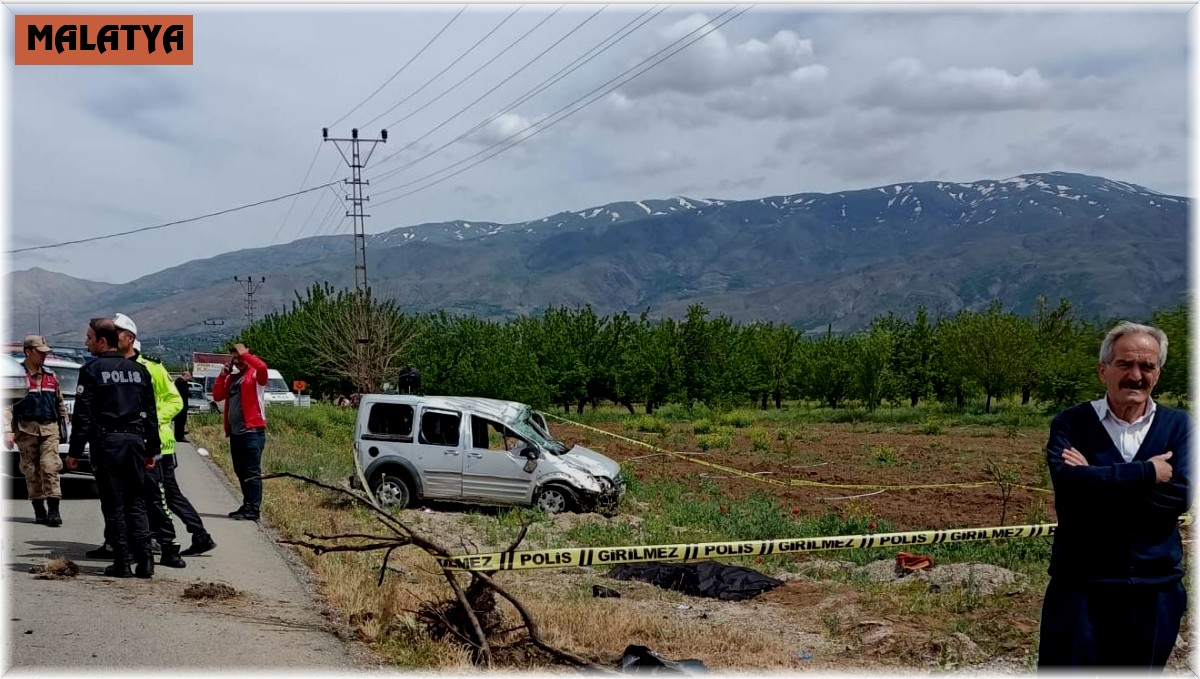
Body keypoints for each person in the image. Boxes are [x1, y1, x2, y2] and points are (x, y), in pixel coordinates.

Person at [1038, 321, 1192, 669]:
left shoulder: (1181, 427)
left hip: (1154, 590)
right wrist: (1146, 472)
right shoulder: (1071, 424)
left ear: (1158, 373)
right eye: (1125, 364)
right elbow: (1069, 488)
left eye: (1147, 366)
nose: (1136, 375)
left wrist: (1093, 477)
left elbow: (1179, 497)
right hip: (1080, 588)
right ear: (1102, 370)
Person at [115, 314, 216, 562]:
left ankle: (168, 540)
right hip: (143, 441)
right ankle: (196, 535)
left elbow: (175, 401)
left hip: (158, 443)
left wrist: (151, 419)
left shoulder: (152, 367)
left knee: (161, 495)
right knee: (167, 494)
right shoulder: (117, 367)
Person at [68, 318, 159, 578]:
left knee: (114, 504)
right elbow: (150, 415)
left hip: (108, 443)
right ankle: (145, 561)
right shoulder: (139, 370)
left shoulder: (92, 371)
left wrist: (74, 453)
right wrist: (151, 450)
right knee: (136, 502)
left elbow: (82, 416)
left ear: (102, 341)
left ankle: (122, 562)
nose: (86, 342)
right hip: (135, 442)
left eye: (89, 338)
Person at [5, 336, 69, 526]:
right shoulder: (17, 376)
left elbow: (60, 402)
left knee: (50, 467)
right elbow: (7, 405)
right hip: (26, 430)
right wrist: (7, 430)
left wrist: (63, 425)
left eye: (45, 352)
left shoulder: (51, 375)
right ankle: (39, 510)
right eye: (40, 352)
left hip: (49, 428)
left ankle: (54, 511)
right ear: (28, 352)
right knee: (31, 471)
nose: (44, 355)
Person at [212, 343, 268, 521]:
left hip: (252, 432)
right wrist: (223, 375)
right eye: (234, 359)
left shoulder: (256, 376)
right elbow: (217, 396)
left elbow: (262, 367)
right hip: (236, 433)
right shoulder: (232, 378)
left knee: (252, 471)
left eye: (240, 358)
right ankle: (246, 504)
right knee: (240, 471)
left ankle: (254, 508)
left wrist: (245, 354)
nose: (238, 361)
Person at [174, 371, 191, 442]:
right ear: (185, 375)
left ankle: (179, 434)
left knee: (179, 421)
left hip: (179, 404)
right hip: (182, 405)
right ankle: (180, 436)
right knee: (181, 421)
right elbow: (186, 393)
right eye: (189, 376)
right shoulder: (182, 383)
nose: (189, 378)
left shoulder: (177, 382)